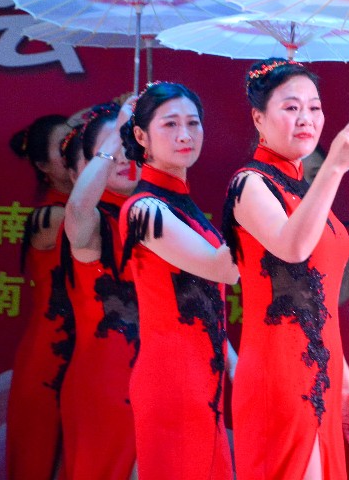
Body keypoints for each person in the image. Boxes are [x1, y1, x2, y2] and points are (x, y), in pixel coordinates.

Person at [220, 58, 349, 480]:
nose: (307, 118)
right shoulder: (249, 183)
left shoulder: (304, 190)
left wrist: (345, 384)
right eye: (291, 107)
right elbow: (292, 247)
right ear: (259, 118)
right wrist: (334, 167)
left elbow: (317, 303)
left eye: (315, 107)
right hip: (278, 373)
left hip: (321, 369)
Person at [119, 82, 239, 480]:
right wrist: (257, 206)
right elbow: (223, 269)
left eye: (193, 122)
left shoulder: (181, 203)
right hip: (173, 378)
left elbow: (204, 298)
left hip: (203, 375)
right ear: (141, 136)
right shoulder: (144, 209)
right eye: (170, 124)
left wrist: (234, 365)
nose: (185, 134)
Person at [60, 100, 141, 479]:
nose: (125, 157)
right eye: (113, 148)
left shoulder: (164, 216)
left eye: (132, 144)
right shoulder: (92, 222)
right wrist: (116, 137)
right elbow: (77, 207)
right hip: (107, 383)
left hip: (168, 379)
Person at [6, 112, 75, 480]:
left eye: (76, 141)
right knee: (40, 461)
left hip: (92, 354)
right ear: (42, 166)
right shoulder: (50, 217)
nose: (74, 150)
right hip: (51, 357)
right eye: (63, 148)